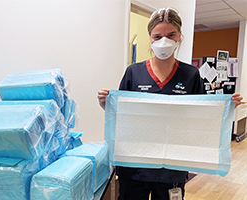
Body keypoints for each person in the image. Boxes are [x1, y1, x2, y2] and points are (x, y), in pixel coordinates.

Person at [97, 7, 243, 200]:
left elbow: (202, 118)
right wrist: (107, 105)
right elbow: (122, 116)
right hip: (135, 165)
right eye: (157, 36)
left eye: (170, 34)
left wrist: (225, 107)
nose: (163, 41)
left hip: (172, 167)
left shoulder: (191, 75)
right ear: (150, 37)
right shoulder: (133, 72)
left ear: (179, 36)